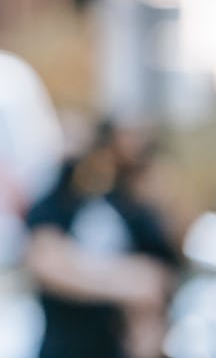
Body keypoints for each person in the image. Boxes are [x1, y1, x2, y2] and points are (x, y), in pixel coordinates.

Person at [25, 122, 182, 358]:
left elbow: (156, 281)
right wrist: (127, 280)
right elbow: (46, 262)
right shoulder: (58, 200)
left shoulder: (135, 207)